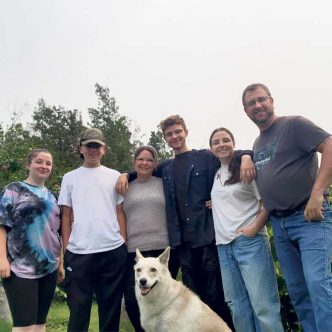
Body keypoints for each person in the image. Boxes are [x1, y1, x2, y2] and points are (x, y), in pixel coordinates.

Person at [117, 115, 255, 329]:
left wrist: (246, 156)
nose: (174, 137)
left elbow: (229, 155)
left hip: (207, 238)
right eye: (169, 134)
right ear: (165, 139)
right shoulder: (166, 168)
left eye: (177, 132)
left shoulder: (205, 158)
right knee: (194, 302)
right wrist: (126, 174)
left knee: (216, 297)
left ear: (186, 132)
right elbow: (144, 169)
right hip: (182, 244)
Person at [242, 83, 332, 332]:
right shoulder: (258, 143)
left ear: (271, 100)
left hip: (309, 217)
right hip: (280, 226)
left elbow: (330, 146)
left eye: (261, 100)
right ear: (245, 111)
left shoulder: (294, 125)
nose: (257, 105)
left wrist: (317, 193)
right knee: (298, 291)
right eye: (251, 103)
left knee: (318, 283)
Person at [209, 127, 283, 332]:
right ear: (211, 148)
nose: (221, 144)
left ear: (234, 143)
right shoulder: (215, 174)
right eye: (216, 142)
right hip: (224, 247)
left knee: (263, 305)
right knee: (237, 306)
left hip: (249, 243)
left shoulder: (246, 170)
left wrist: (254, 229)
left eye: (225, 140)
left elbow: (267, 202)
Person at [58, 128, 127, 332]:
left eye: (97, 146)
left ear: (104, 149)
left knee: (110, 310)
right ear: (81, 149)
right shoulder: (70, 178)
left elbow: (120, 212)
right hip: (79, 253)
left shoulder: (114, 175)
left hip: (112, 251)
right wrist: (66, 249)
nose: (93, 150)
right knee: (78, 311)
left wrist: (122, 242)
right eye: (89, 146)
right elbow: (65, 215)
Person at [0, 148, 63, 332]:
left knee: (39, 325)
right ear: (29, 165)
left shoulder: (53, 196)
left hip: (49, 266)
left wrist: (60, 263)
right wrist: (2, 258)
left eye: (48, 163)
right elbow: (2, 224)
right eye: (39, 161)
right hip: (19, 267)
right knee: (24, 326)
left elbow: (56, 232)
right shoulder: (13, 190)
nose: (44, 166)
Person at [122, 146, 179, 332]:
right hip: (134, 251)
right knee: (132, 301)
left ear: (155, 164)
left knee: (164, 302)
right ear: (134, 162)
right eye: (141, 159)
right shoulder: (124, 186)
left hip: (163, 250)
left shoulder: (164, 183)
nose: (145, 163)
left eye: (149, 160)